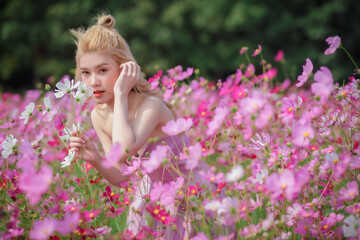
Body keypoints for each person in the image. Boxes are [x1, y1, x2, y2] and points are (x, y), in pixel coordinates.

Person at [68, 14, 191, 239]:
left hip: (188, 199)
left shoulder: (151, 106)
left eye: (102, 70)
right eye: (86, 73)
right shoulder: (99, 115)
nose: (93, 81)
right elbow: (122, 178)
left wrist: (120, 94)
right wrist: (95, 158)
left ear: (125, 69)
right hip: (150, 201)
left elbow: (124, 149)